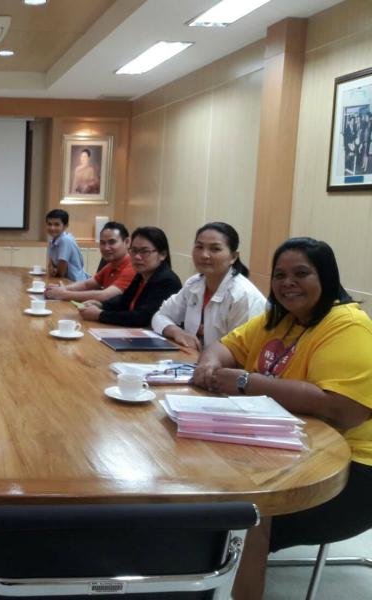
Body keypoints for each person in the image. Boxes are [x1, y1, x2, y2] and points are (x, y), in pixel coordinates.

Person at [191, 237, 372, 600]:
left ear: (327, 277)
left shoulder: (348, 325)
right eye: (279, 275)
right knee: (199, 477)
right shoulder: (279, 319)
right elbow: (226, 346)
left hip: (349, 473)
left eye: (301, 273)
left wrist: (247, 381)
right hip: (287, 449)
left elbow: (344, 409)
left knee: (246, 510)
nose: (288, 283)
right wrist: (209, 363)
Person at [151, 222, 267, 350]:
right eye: (199, 247)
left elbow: (242, 351)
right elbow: (160, 316)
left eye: (215, 249)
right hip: (194, 359)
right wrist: (177, 332)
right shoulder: (194, 284)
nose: (204, 255)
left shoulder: (242, 295)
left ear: (233, 257)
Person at [78, 226, 181, 326]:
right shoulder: (141, 275)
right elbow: (124, 300)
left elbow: (142, 317)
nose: (137, 257)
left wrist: (100, 315)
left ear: (162, 254)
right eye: (134, 251)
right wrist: (100, 304)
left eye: (145, 251)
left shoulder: (167, 281)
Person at [45, 221, 134, 303]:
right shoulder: (111, 265)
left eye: (112, 242)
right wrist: (61, 288)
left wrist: (63, 294)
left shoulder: (132, 267)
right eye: (103, 243)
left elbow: (105, 295)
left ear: (127, 242)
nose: (106, 248)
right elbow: (86, 284)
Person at [45, 209, 87, 282]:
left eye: (56, 224)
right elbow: (50, 266)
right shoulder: (52, 240)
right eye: (49, 224)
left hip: (74, 282)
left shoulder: (65, 240)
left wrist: (52, 278)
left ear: (65, 226)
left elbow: (61, 272)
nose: (52, 228)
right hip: (64, 280)